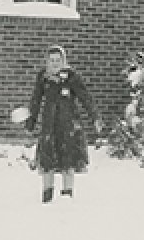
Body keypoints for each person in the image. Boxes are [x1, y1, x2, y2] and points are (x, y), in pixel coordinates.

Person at [22, 45, 102, 203]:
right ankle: (47, 196)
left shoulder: (72, 77)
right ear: (47, 62)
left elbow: (85, 97)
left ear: (63, 61)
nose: (54, 64)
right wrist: (31, 122)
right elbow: (36, 101)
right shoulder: (43, 78)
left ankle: (67, 196)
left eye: (58, 60)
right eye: (51, 60)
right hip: (49, 125)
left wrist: (95, 117)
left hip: (68, 126)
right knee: (47, 162)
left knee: (68, 162)